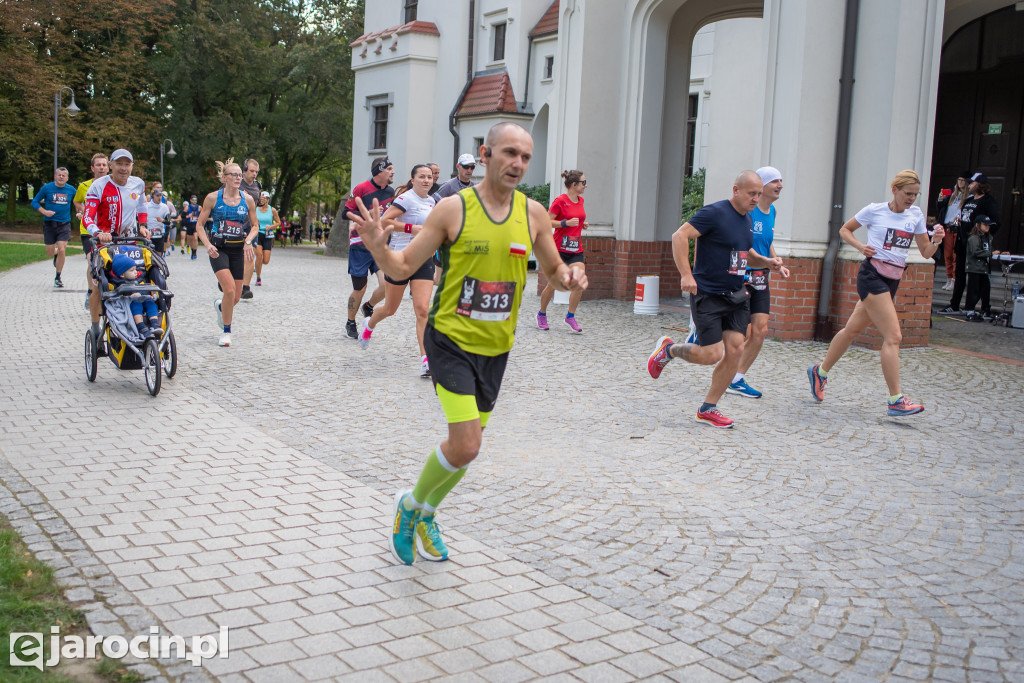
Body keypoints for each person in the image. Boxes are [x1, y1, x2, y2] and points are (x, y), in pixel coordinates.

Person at [348, 122, 587, 566]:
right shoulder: (452, 209)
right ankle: (410, 506)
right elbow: (401, 266)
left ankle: (427, 514)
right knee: (469, 443)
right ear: (486, 154)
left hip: (497, 347)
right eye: (510, 153)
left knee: (466, 448)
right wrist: (378, 249)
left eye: (526, 157)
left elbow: (553, 271)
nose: (518, 163)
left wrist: (569, 275)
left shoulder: (533, 213)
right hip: (451, 340)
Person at [646, 170, 782, 429]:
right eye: (751, 193)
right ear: (736, 190)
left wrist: (767, 262)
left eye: (758, 194)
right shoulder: (715, 213)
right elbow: (679, 236)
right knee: (710, 355)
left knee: (735, 349)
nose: (755, 199)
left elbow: (745, 253)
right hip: (708, 294)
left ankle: (708, 408)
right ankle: (669, 350)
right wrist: (686, 274)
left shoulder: (746, 219)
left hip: (736, 294)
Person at [806, 169, 944, 417]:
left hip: (893, 280)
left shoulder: (915, 215)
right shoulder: (875, 210)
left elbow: (925, 252)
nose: (912, 199)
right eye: (907, 193)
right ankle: (896, 400)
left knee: (852, 330)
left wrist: (937, 241)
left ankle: (820, 371)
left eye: (916, 194)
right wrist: (861, 246)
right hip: (871, 277)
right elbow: (845, 229)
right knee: (894, 337)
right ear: (894, 189)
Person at [359, 164, 437, 378]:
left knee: (422, 310)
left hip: (423, 260)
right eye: (422, 177)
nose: (426, 180)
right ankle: (369, 323)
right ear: (413, 180)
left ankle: (426, 361)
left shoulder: (432, 202)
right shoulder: (406, 199)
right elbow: (384, 221)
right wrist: (412, 229)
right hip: (400, 259)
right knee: (390, 309)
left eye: (429, 177)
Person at [727, 166, 791, 399]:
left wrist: (776, 262)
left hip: (761, 277)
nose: (780, 185)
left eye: (781, 180)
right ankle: (701, 336)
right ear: (761, 186)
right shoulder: (748, 211)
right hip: (742, 275)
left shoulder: (772, 211)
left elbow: (768, 241)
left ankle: (736, 378)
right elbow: (743, 245)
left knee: (761, 330)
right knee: (740, 331)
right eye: (775, 180)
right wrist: (765, 260)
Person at [83, 149, 150, 341]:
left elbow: (141, 206)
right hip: (104, 242)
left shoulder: (138, 184)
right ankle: (96, 326)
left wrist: (143, 226)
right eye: (119, 164)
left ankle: (133, 320)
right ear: (110, 165)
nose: (123, 168)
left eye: (127, 164)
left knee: (135, 280)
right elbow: (88, 216)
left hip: (128, 242)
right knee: (100, 286)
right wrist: (98, 232)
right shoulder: (99, 186)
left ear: (132, 166)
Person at [195, 158, 259, 347]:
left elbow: (255, 225)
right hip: (218, 249)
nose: (238, 178)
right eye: (234, 175)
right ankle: (226, 332)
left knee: (236, 297)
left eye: (240, 175)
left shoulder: (247, 199)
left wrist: (248, 241)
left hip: (238, 249)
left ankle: (221, 306)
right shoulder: (213, 198)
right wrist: (207, 245)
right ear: (224, 178)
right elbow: (199, 225)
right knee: (229, 289)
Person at [344, 157, 394, 339]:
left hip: (380, 245)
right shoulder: (361, 188)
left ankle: (369, 307)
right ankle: (350, 322)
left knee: (388, 284)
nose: (393, 172)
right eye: (389, 169)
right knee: (360, 288)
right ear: (380, 171)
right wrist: (370, 214)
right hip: (360, 245)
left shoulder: (390, 191)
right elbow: (345, 212)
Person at [537, 170, 590, 333]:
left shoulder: (580, 200)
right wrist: (564, 223)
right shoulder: (560, 201)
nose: (585, 185)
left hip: (576, 249)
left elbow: (577, 219)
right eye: (583, 182)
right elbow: (546, 221)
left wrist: (582, 224)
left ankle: (570, 316)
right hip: (559, 249)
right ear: (574, 185)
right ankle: (541, 314)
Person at [941, 172, 1000, 313]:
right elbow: (966, 218)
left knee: (980, 277)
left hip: (976, 245)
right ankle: (954, 304)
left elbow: (996, 221)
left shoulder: (988, 201)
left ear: (980, 185)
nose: (970, 185)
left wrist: (984, 236)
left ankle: (982, 307)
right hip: (962, 243)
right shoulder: (969, 200)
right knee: (959, 274)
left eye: (972, 183)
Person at [74, 153, 109, 308]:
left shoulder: (113, 185)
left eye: (104, 165)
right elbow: (77, 201)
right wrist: (85, 211)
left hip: (107, 230)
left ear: (108, 167)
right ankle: (91, 291)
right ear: (92, 168)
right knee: (91, 259)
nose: (101, 168)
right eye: (98, 165)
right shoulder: (84, 186)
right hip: (88, 230)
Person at [32, 167, 75, 288]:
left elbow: (79, 201)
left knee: (62, 249)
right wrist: (44, 211)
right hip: (50, 223)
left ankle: (58, 277)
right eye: (59, 175)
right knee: (50, 252)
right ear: (55, 176)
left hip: (64, 224)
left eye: (64, 175)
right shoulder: (47, 188)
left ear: (67, 178)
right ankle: (55, 254)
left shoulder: (71, 189)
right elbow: (34, 202)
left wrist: (79, 210)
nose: (61, 177)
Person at [107, 253, 162, 339]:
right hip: (130, 302)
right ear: (122, 274)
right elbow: (116, 295)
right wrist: (130, 295)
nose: (136, 272)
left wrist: (141, 293)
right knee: (136, 305)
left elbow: (146, 288)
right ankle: (141, 327)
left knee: (151, 303)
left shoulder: (140, 278)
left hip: (143, 298)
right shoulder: (117, 283)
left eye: (135, 269)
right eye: (132, 270)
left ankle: (154, 324)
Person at [934, 172, 969, 291]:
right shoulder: (952, 195)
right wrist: (940, 198)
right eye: (959, 180)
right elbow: (941, 207)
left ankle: (955, 280)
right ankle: (949, 279)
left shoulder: (969, 197)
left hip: (958, 227)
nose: (960, 182)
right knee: (947, 254)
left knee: (956, 256)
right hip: (948, 226)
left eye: (963, 180)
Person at [239, 159, 262, 300]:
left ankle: (245, 288)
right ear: (244, 170)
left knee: (249, 255)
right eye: (252, 171)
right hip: (233, 224)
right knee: (233, 254)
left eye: (256, 172)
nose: (254, 174)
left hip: (250, 226)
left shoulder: (257, 186)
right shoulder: (234, 183)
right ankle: (225, 279)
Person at [964, 215, 993, 321]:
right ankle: (970, 310)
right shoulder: (973, 238)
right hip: (974, 268)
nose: (987, 227)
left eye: (989, 225)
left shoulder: (987, 238)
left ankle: (985, 309)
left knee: (986, 289)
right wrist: (990, 253)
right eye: (985, 225)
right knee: (973, 290)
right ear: (977, 225)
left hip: (984, 269)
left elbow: (988, 251)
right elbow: (975, 252)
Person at [254, 191, 279, 286]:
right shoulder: (255, 209)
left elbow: (278, 222)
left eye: (267, 198)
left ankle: (257, 266)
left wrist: (271, 226)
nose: (265, 200)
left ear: (268, 199)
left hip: (268, 235)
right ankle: (258, 277)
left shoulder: (272, 210)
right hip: (257, 234)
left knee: (265, 261)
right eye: (263, 198)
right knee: (259, 256)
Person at [145, 183, 172, 255]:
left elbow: (169, 222)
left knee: (159, 255)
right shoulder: (147, 206)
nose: (159, 198)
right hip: (149, 235)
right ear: (152, 196)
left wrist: (162, 220)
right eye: (157, 196)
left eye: (160, 195)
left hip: (160, 235)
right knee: (149, 255)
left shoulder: (164, 207)